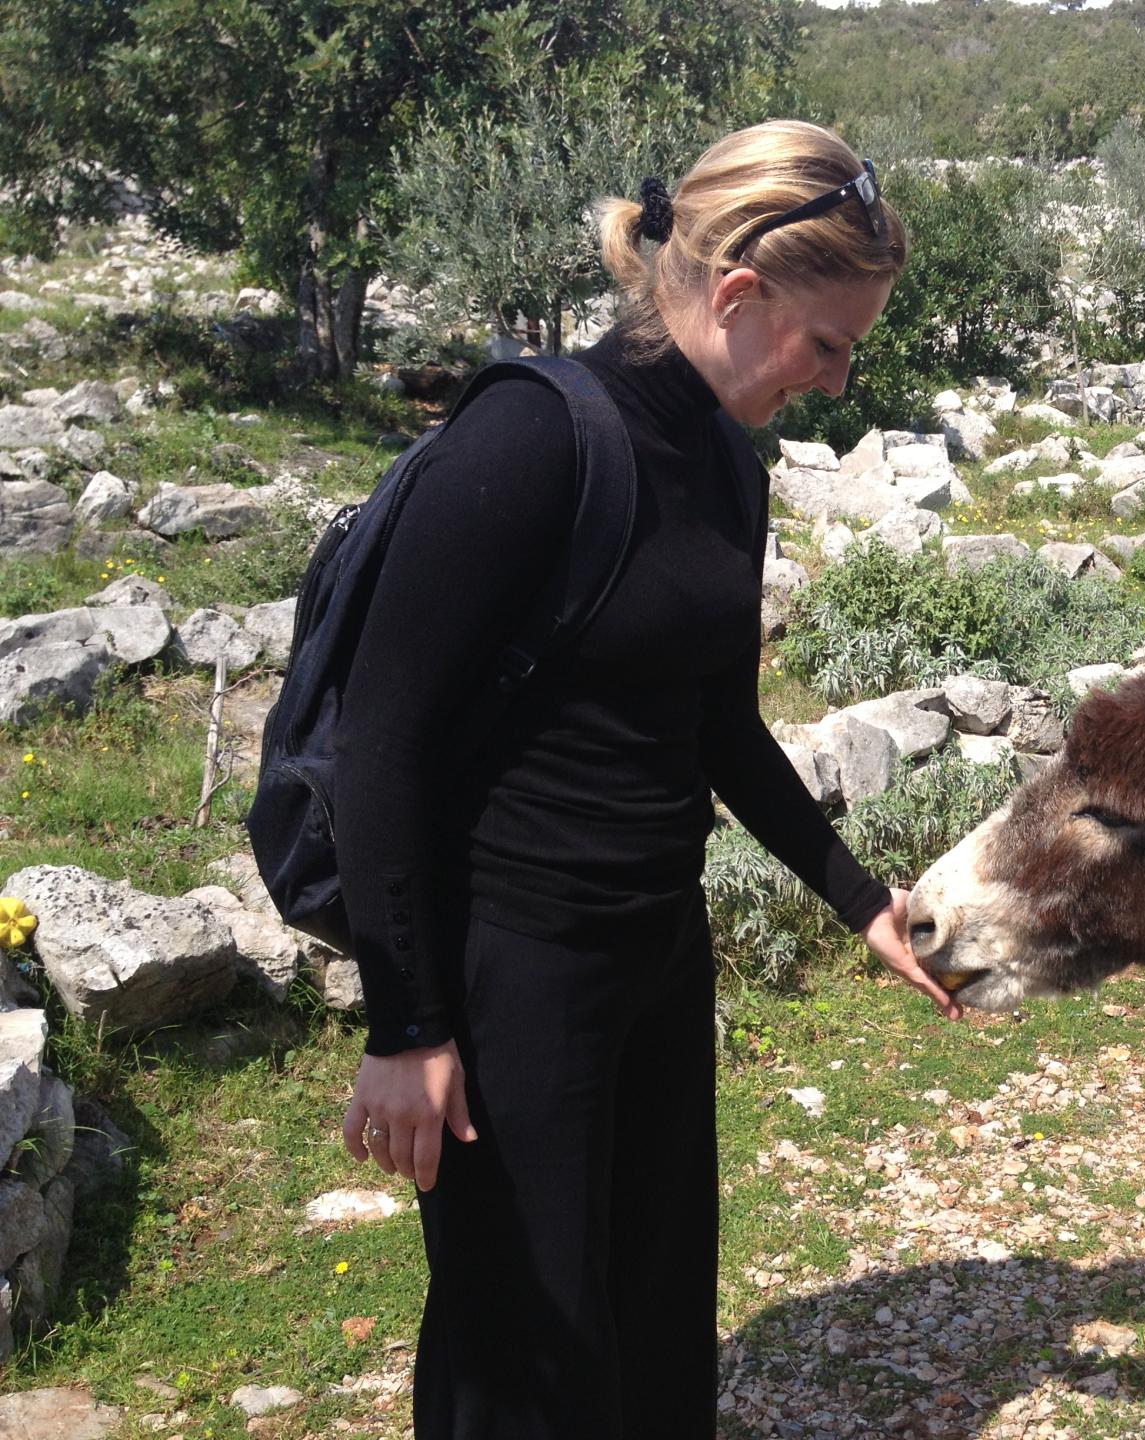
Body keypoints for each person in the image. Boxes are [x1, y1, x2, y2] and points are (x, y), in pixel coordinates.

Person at [330, 119, 958, 1439]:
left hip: (658, 954)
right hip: (517, 975)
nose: (839, 382)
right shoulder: (529, 440)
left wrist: (857, 896)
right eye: (828, 344)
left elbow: (715, 722)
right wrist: (407, 1029)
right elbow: (378, 743)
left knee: (657, 1322)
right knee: (527, 1354)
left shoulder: (727, 457)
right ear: (738, 295)